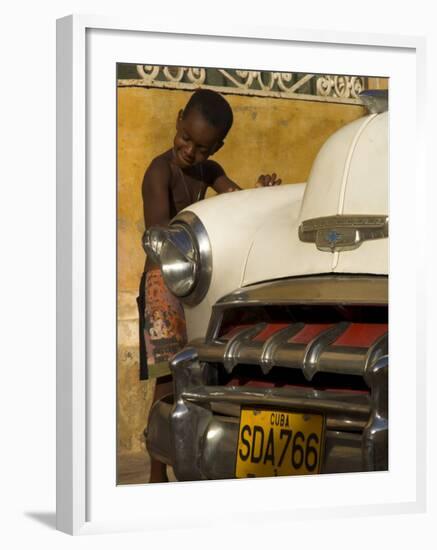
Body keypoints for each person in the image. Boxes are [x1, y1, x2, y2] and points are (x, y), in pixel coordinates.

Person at [139, 88, 281, 482]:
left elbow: (234, 200)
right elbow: (161, 237)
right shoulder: (159, 172)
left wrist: (259, 192)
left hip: (196, 281)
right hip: (164, 283)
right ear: (179, 119)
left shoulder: (209, 170)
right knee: (168, 377)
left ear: (216, 145)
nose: (190, 152)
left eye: (202, 148)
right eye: (186, 139)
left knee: (195, 369)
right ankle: (155, 469)